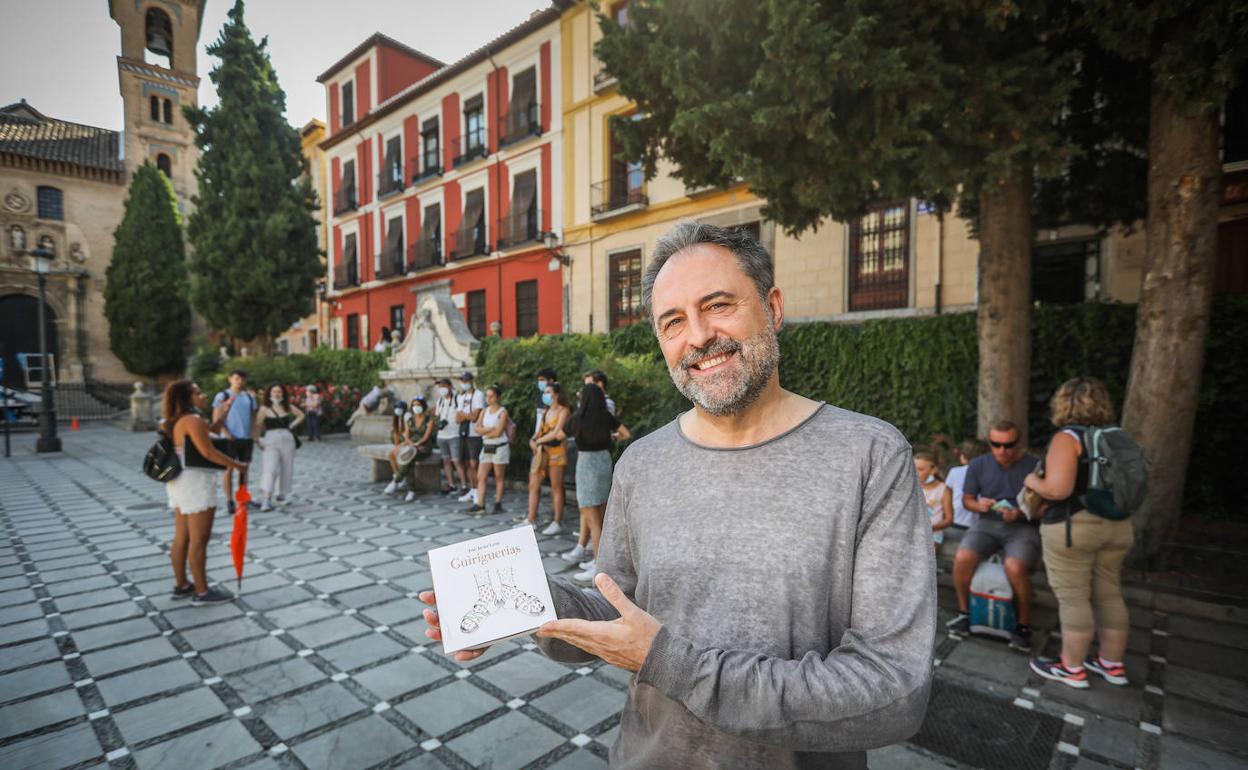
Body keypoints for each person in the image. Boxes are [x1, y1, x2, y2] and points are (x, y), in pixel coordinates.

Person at [420, 221, 935, 769]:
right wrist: (521, 602)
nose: (697, 336)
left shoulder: (869, 455)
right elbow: (617, 606)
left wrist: (670, 662)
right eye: (672, 322)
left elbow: (893, 690)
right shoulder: (642, 461)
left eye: (718, 305)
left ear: (774, 307)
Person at [1026, 377, 1134, 689]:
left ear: (1062, 403)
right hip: (1118, 525)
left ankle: (1072, 668)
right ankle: (1111, 664)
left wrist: (1032, 483)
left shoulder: (1067, 437)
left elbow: (1058, 490)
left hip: (1074, 527)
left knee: (1074, 598)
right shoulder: (1117, 437)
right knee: (1109, 592)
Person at [946, 420, 1041, 651]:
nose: (1002, 451)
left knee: (1015, 566)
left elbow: (1043, 505)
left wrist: (1021, 512)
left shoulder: (1034, 465)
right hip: (987, 522)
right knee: (963, 558)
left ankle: (1023, 626)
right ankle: (964, 613)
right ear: (990, 443)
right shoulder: (979, 464)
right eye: (996, 445)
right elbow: (968, 501)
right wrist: (981, 506)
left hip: (1022, 527)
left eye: (1008, 445)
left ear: (1018, 443)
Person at [163, 380, 246, 605]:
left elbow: (207, 435)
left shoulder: (178, 421)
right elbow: (208, 452)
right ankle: (202, 592)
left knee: (182, 537)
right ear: (187, 397)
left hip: (180, 480)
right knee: (199, 539)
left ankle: (182, 585)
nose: (203, 396)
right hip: (195, 481)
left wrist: (222, 417)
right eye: (198, 393)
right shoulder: (193, 419)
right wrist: (237, 465)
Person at [563, 383, 630, 580]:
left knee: (591, 517)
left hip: (586, 464)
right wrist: (610, 437)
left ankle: (600, 569)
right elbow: (626, 433)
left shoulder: (577, 418)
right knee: (600, 514)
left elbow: (560, 434)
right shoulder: (605, 416)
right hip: (604, 463)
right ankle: (599, 561)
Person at [526, 382, 571, 535]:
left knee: (556, 487)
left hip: (557, 453)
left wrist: (539, 441)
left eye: (548, 392)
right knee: (533, 485)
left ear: (556, 394)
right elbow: (539, 432)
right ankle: (531, 519)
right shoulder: (545, 412)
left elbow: (557, 431)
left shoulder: (563, 411)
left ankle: (557, 521)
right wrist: (533, 440)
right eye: (544, 392)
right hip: (542, 453)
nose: (545, 395)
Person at [211, 369, 257, 515]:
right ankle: (230, 501)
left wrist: (253, 434)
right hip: (229, 439)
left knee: (244, 469)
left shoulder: (249, 396)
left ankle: (242, 499)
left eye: (242, 379)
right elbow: (216, 418)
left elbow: (254, 416)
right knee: (228, 470)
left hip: (246, 438)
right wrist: (226, 432)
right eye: (236, 378)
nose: (239, 381)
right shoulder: (223, 395)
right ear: (230, 379)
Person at [255, 384, 304, 512]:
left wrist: (292, 425)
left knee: (287, 467)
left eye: (279, 392)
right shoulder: (264, 408)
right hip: (270, 439)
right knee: (269, 469)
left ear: (283, 394)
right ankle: (266, 499)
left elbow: (301, 415)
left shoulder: (287, 406)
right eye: (274, 391)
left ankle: (282, 494)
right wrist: (257, 440)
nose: (277, 394)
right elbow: (258, 425)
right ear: (269, 393)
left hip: (287, 439)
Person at [466, 385, 509, 515]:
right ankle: (480, 504)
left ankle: (498, 503)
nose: (488, 398)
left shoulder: (502, 412)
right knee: (481, 476)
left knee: (498, 476)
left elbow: (498, 432)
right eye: (487, 396)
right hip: (487, 446)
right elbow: (477, 429)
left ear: (497, 397)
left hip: (499, 446)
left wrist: (485, 431)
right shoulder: (484, 411)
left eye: (491, 396)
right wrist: (490, 430)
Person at [455, 372, 486, 504]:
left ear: (472, 380)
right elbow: (457, 418)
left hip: (475, 434)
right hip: (464, 433)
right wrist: (466, 415)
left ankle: (479, 490)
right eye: (462, 380)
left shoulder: (478, 395)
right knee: (467, 463)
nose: (464, 382)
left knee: (475, 463)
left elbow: (476, 417)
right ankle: (472, 489)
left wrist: (464, 414)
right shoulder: (461, 397)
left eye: (466, 380)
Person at [397, 396, 435, 503]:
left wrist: (418, 444)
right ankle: (410, 490)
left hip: (424, 445)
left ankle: (397, 480)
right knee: (409, 457)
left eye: (418, 404)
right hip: (412, 445)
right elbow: (406, 435)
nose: (416, 407)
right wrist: (412, 444)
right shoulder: (410, 419)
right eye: (414, 405)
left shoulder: (429, 419)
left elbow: (426, 436)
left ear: (423, 406)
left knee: (409, 457)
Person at [944, 439, 988, 531]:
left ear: (963, 456)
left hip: (956, 521)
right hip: (982, 524)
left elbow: (947, 497)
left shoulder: (954, 472)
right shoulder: (990, 473)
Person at [915, 450, 952, 555]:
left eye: (920, 469)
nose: (915, 472)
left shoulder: (943, 490)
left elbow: (949, 519)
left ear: (933, 470)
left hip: (933, 535)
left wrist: (931, 528)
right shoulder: (911, 486)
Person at [433, 378, 465, 495]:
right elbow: (437, 417)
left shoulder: (458, 399)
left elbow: (462, 415)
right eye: (440, 386)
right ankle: (451, 484)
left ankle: (464, 485)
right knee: (446, 461)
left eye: (444, 386)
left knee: (456, 461)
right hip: (442, 435)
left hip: (454, 434)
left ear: (450, 386)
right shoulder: (440, 401)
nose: (442, 389)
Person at [383, 400, 409, 494]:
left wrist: (400, 446)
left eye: (400, 409)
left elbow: (408, 436)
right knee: (391, 454)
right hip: (402, 443)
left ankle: (398, 478)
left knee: (394, 453)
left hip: (409, 441)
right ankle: (398, 477)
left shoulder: (407, 417)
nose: (398, 410)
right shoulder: (396, 418)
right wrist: (397, 445)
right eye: (396, 409)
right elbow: (396, 438)